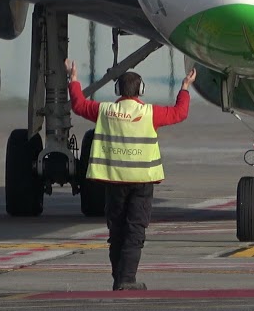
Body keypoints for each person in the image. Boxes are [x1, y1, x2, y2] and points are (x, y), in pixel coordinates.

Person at [66, 58, 197, 291]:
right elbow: (180, 113)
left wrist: (73, 79)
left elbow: (78, 105)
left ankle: (120, 278)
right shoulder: (149, 113)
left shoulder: (105, 111)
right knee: (135, 229)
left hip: (114, 180)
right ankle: (126, 280)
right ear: (141, 90)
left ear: (118, 90)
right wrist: (184, 88)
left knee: (116, 230)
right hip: (141, 181)